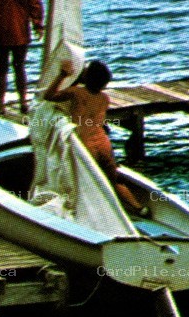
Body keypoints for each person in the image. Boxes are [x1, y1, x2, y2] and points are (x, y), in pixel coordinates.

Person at [44, 58, 147, 216]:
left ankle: (95, 214)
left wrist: (62, 76)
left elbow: (48, 96)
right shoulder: (104, 98)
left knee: (87, 181)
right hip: (103, 143)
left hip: (86, 144)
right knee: (114, 180)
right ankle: (139, 207)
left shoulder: (76, 92)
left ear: (86, 78)